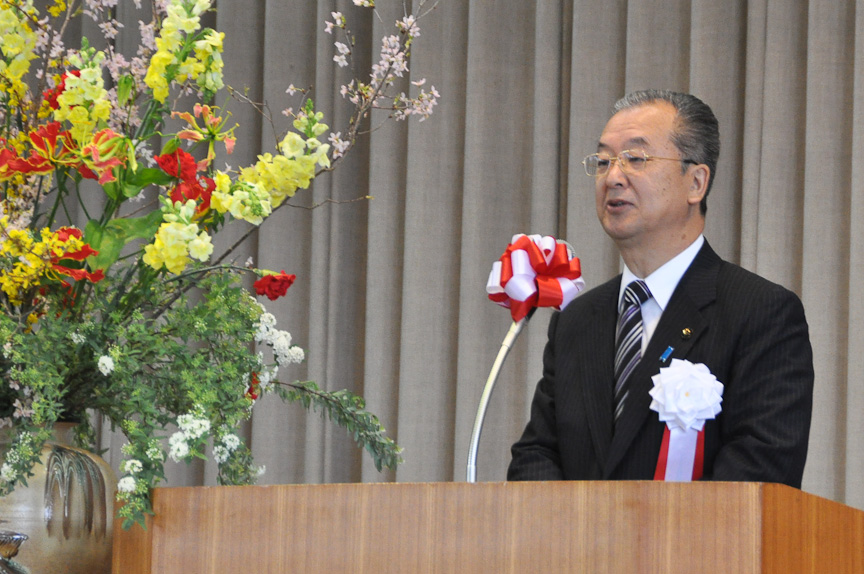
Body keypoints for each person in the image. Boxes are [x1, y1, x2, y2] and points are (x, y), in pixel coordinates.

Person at [507, 90, 814, 487]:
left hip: (693, 548)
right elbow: (537, 454)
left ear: (696, 183)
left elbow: (762, 472)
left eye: (636, 159)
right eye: (603, 162)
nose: (613, 177)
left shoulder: (760, 312)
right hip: (577, 548)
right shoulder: (578, 320)